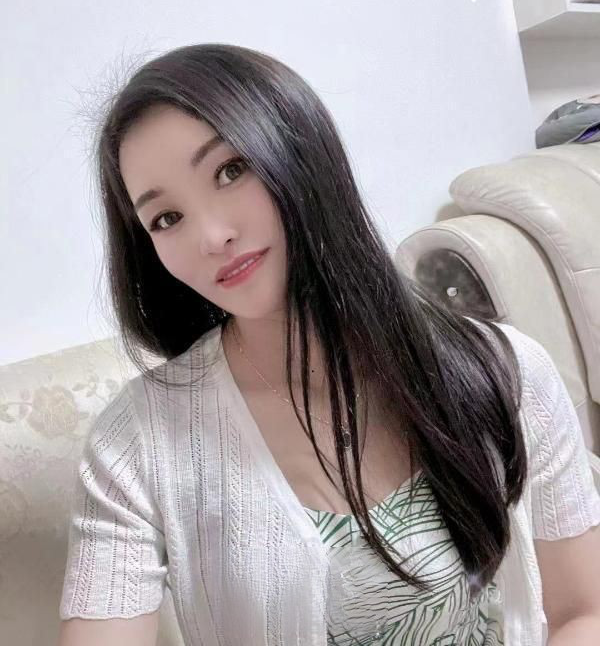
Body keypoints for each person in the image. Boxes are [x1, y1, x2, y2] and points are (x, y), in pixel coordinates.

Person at [57, 43, 600, 646]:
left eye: (231, 170)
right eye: (166, 218)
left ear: (300, 153)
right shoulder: (139, 443)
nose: (211, 236)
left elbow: (584, 612)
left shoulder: (505, 370)